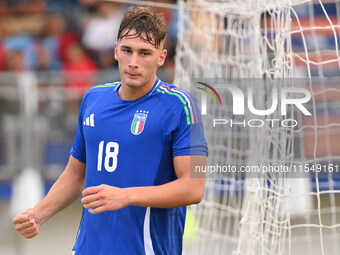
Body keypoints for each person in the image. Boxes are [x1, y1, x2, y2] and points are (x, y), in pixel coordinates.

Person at [13, 6, 208, 255]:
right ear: (116, 50)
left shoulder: (179, 105)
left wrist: (126, 196)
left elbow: (193, 188)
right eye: (127, 51)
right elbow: (75, 175)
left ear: (161, 57)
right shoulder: (94, 98)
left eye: (145, 53)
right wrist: (37, 214)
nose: (133, 62)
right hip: (88, 249)